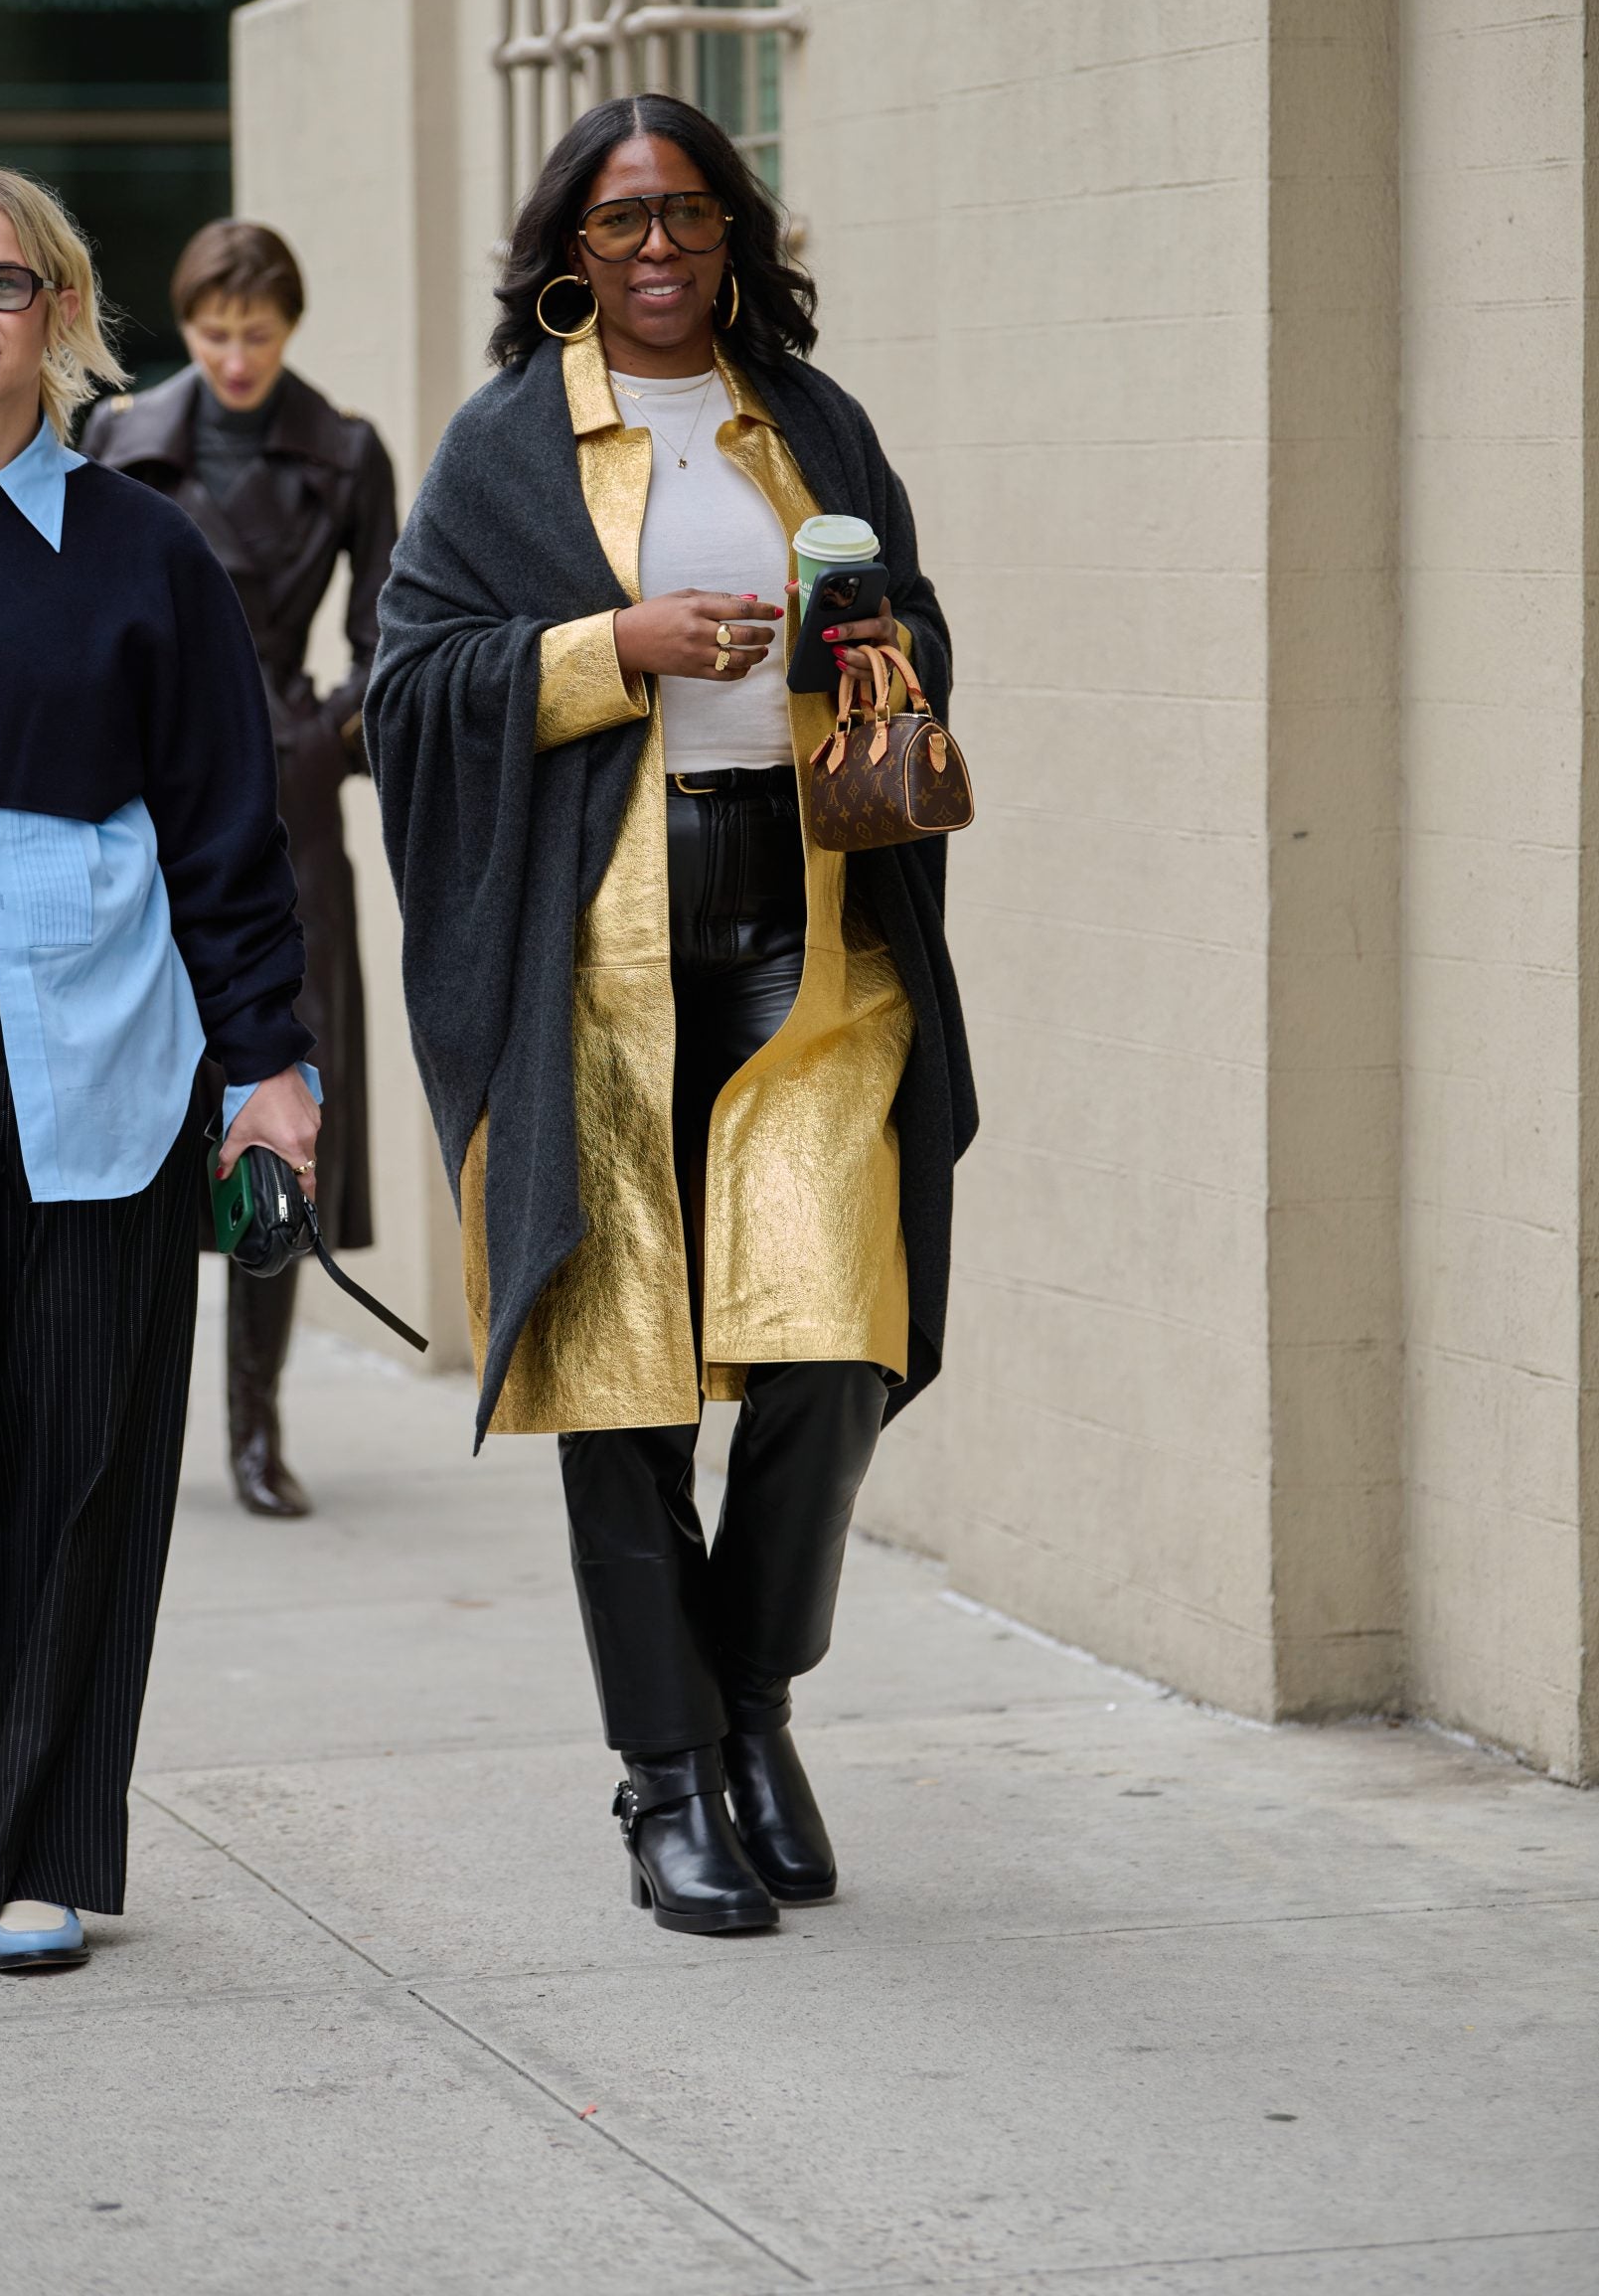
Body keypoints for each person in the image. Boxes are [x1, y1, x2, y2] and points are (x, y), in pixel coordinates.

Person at [368, 94, 975, 1936]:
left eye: (688, 215)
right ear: (571, 246)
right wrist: (606, 648)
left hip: (806, 925)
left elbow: (919, 627)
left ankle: (752, 1704)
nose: (656, 249)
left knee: (830, 1345)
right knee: (621, 1374)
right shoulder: (503, 445)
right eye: (621, 221)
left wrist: (870, 646)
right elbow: (410, 687)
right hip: (592, 954)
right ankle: (668, 1778)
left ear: (732, 236)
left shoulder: (811, 419)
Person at [0, 164, 320, 1974]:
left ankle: (40, 1849)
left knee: (80, 1461)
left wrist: (269, 1065)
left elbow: (229, 828)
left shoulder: (149, 549)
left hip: (107, 1030)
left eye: (5, 283)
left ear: (63, 312)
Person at [83, 222, 396, 1519]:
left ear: (289, 328)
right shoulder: (116, 440)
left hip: (283, 797)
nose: (235, 357)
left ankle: (255, 1426)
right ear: (187, 325)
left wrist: (321, 736)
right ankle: (113, 1420)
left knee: (282, 1101)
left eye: (257, 334)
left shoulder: (346, 451)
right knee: (124, 1092)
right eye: (214, 333)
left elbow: (392, 635)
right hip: (134, 796)